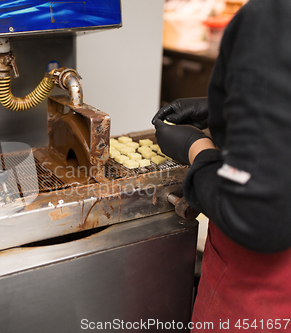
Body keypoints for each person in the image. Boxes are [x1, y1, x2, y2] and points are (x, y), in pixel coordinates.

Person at [152, 0, 291, 331]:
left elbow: (256, 214)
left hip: (262, 305)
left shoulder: (274, 16)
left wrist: (198, 151)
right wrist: (230, 108)